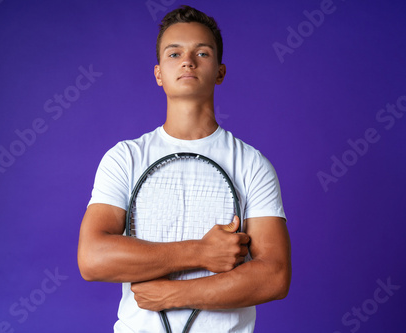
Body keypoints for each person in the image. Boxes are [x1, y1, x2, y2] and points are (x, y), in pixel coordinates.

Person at [77, 5, 291, 332]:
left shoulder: (252, 164)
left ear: (220, 71)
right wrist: (200, 252)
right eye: (174, 53)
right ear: (159, 73)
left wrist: (174, 294)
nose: (188, 61)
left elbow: (274, 276)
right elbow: (92, 258)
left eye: (201, 52)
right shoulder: (124, 158)